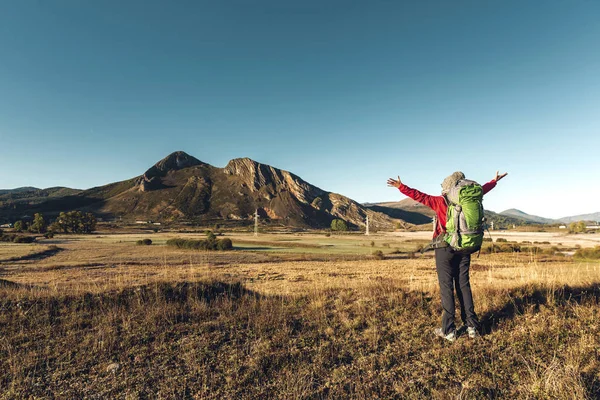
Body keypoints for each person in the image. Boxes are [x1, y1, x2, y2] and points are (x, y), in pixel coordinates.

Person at [387, 171, 507, 342]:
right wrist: (494, 181)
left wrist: (401, 187)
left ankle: (449, 330)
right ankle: (472, 326)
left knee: (446, 287)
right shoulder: (467, 199)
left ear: (447, 186)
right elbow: (483, 189)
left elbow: (419, 196)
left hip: (444, 247)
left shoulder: (439, 201)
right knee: (463, 285)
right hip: (464, 245)